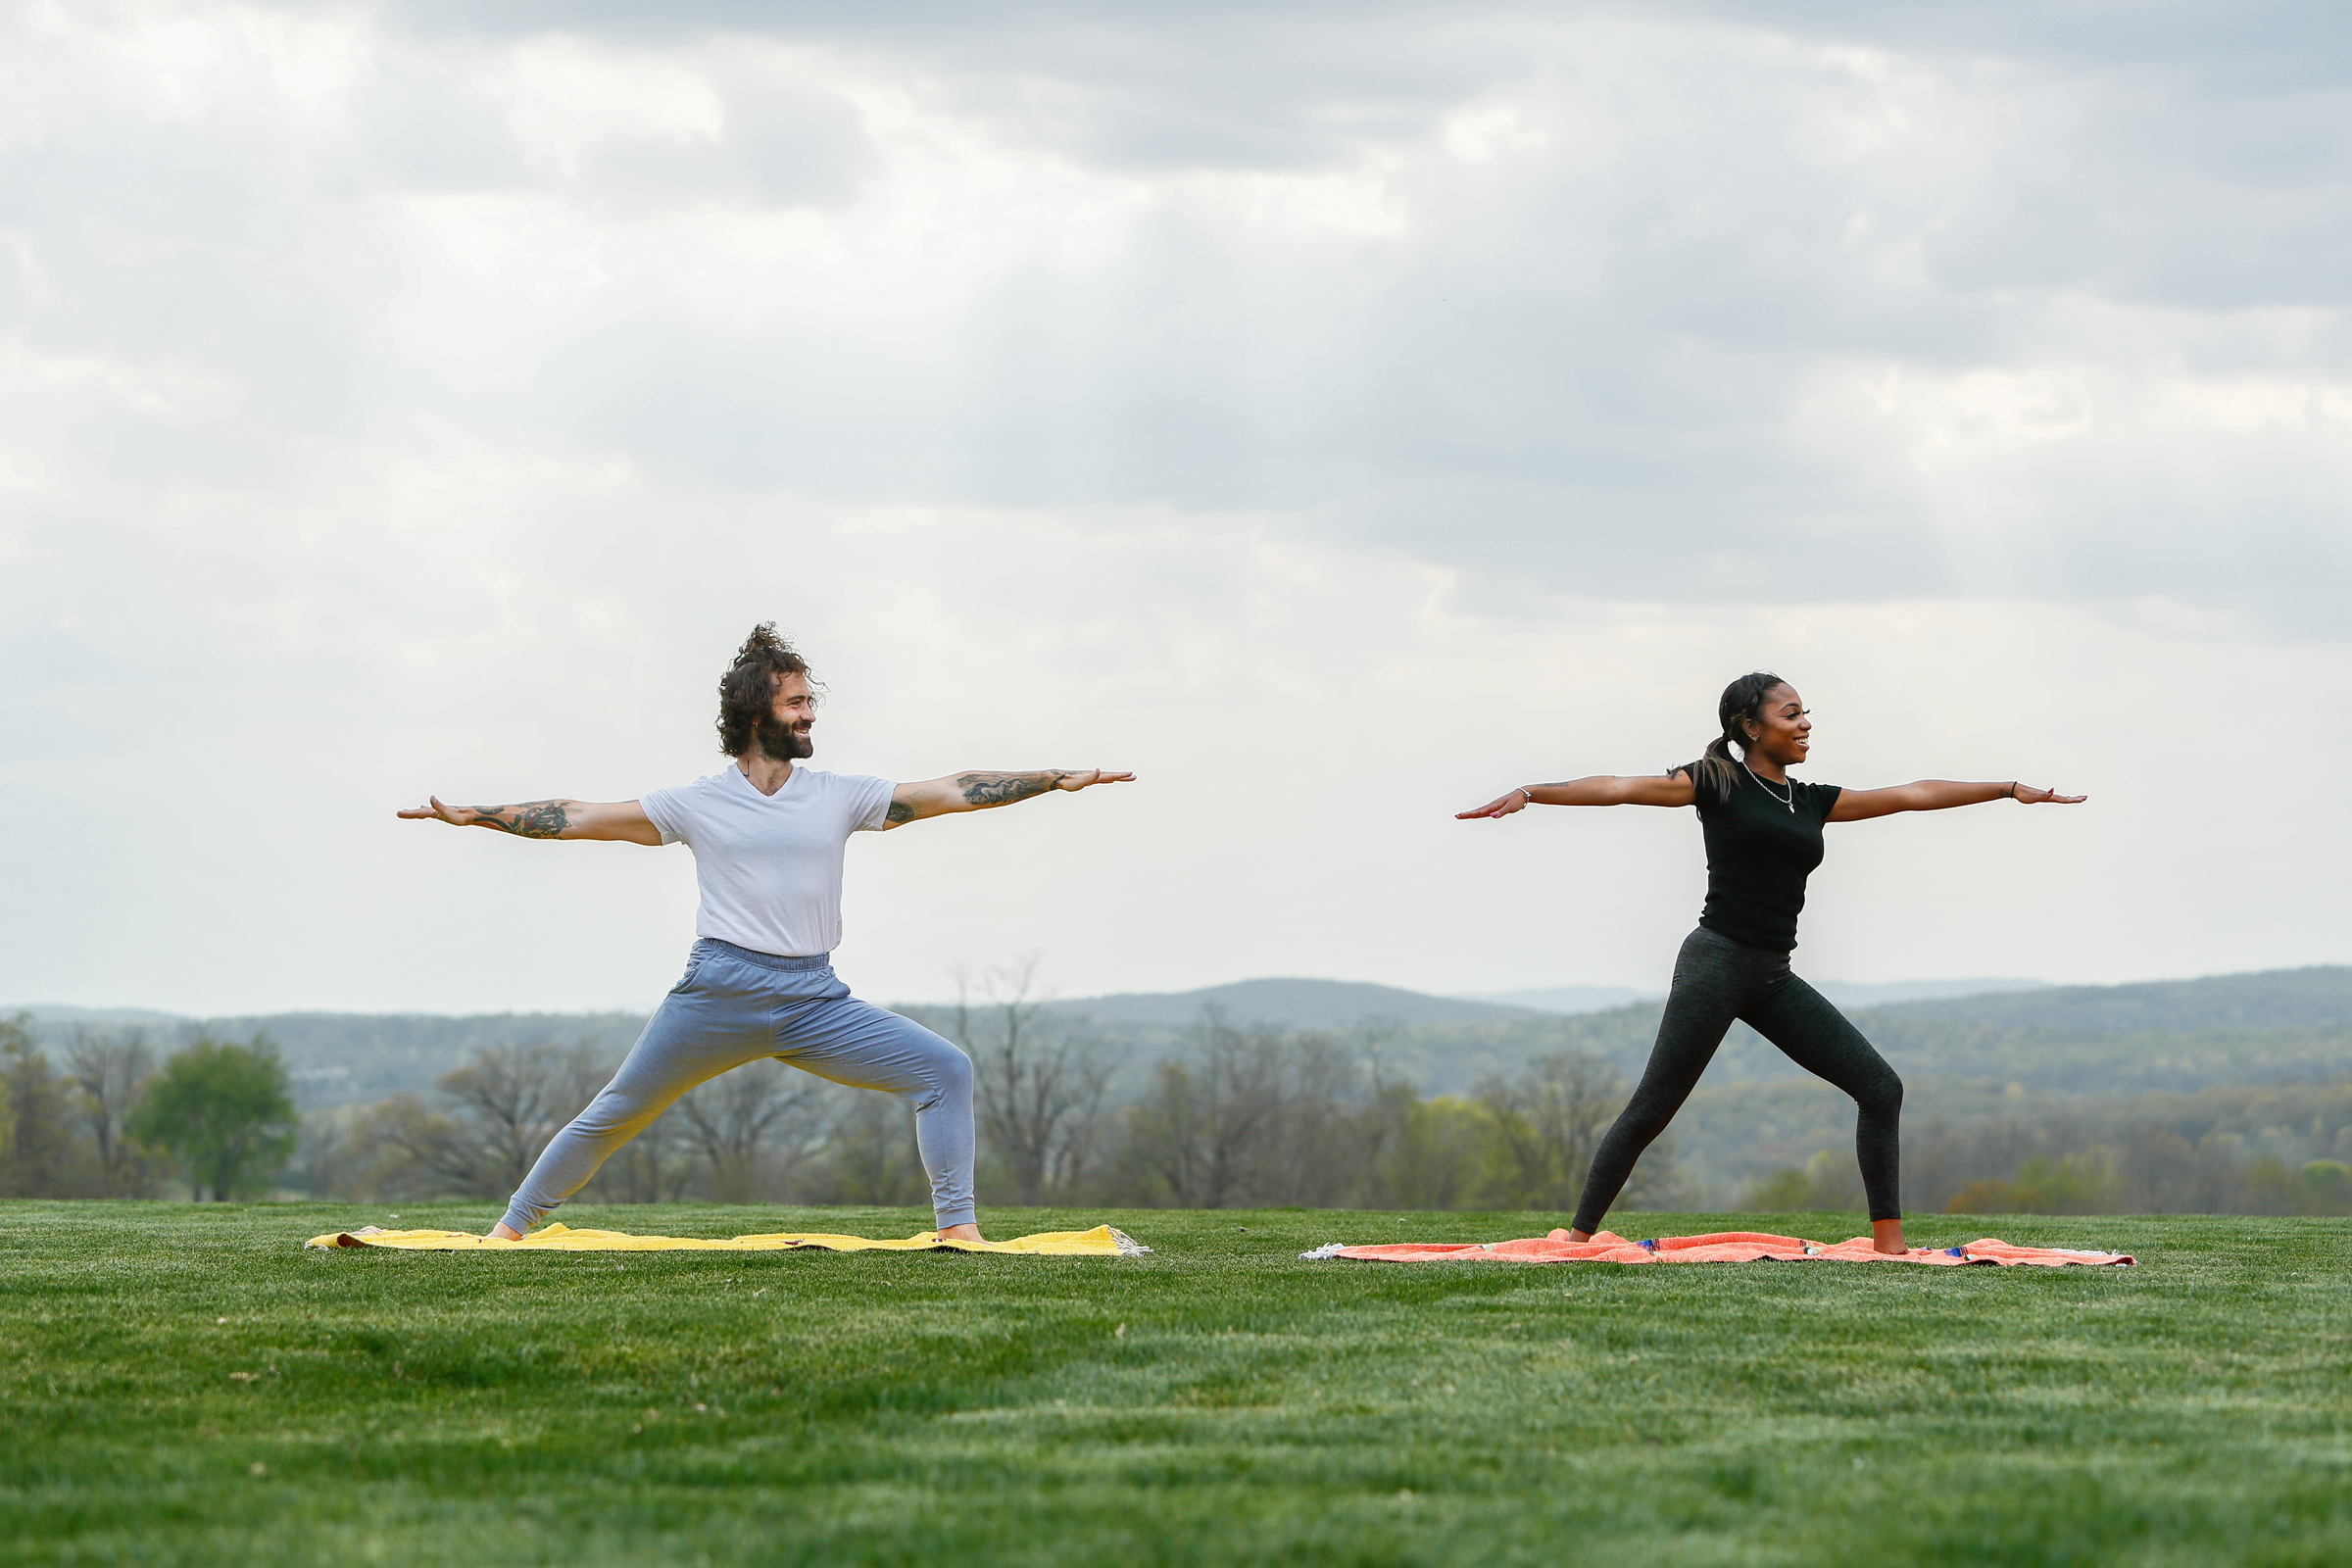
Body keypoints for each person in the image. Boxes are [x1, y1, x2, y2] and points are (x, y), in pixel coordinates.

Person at [399, 623, 1133, 1244]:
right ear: (757, 712)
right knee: (616, 1113)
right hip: (717, 994)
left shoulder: (841, 796)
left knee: (946, 1071)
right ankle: (511, 1231)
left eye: (811, 701)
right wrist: (479, 815)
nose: (810, 715)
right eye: (798, 703)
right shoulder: (696, 804)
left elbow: (951, 789)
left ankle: (958, 1233)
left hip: (816, 1001)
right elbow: (578, 816)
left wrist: (1052, 776)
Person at [1456, 671, 2083, 1253]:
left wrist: (2006, 790)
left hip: (1772, 975)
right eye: (1791, 714)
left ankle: (1890, 1244)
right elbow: (1621, 789)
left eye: (1806, 713)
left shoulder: (1810, 801)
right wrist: (1533, 793)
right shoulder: (1717, 782)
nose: (1805, 724)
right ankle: (1578, 1237)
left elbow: (1910, 795)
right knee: (1653, 1107)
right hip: (1716, 963)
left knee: (1879, 1087)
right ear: (1750, 727)